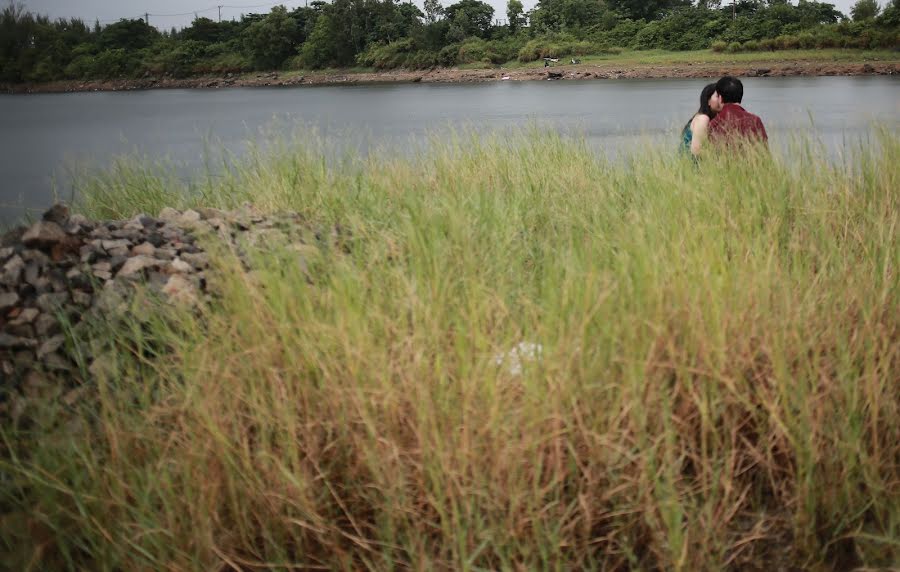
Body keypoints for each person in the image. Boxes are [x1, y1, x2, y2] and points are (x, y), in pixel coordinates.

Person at [708, 76, 768, 147]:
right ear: (741, 96)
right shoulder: (754, 120)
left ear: (720, 98)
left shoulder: (714, 124)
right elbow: (764, 150)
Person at [681, 83, 723, 157]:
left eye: (723, 97)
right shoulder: (702, 118)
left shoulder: (711, 118)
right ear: (708, 101)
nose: (721, 100)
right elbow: (697, 151)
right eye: (717, 96)